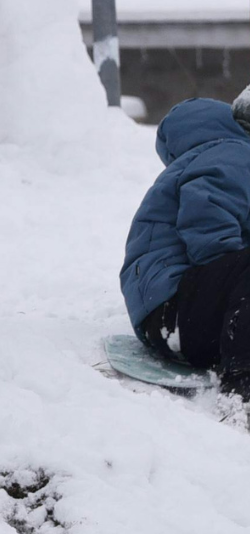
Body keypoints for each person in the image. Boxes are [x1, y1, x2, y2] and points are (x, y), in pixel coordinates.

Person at [121, 86, 250, 419]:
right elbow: (208, 226)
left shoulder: (221, 154)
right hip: (175, 310)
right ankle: (243, 386)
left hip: (171, 318)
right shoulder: (235, 154)